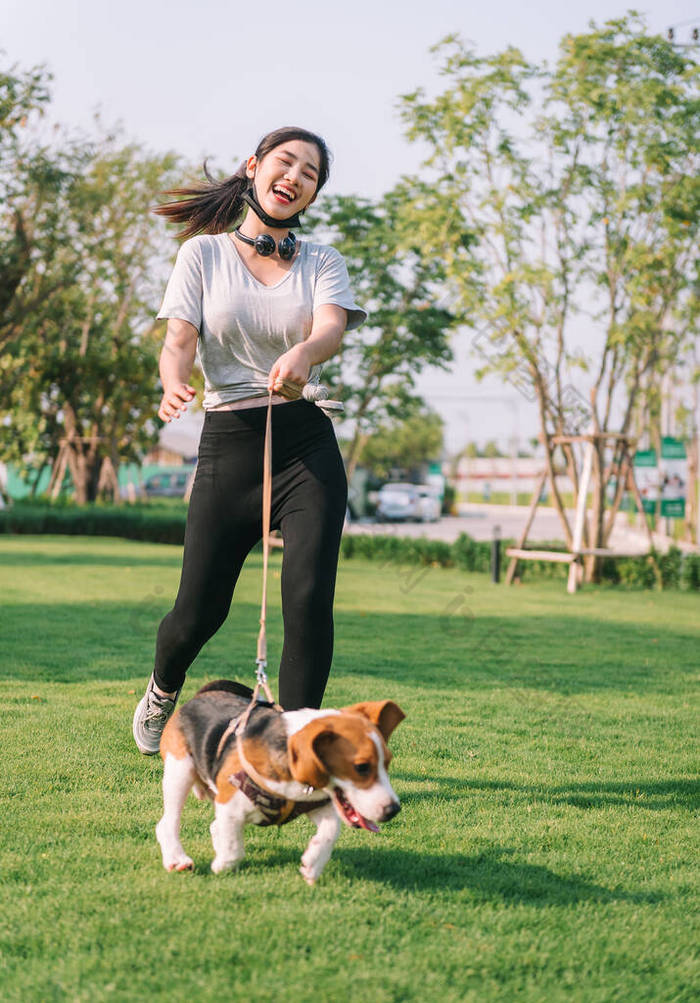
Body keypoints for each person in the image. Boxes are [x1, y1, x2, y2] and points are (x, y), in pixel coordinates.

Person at [133, 126, 366, 755]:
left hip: (304, 442)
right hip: (229, 442)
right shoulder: (202, 255)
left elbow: (330, 330)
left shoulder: (322, 262)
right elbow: (179, 340)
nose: (294, 177)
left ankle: (294, 744)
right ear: (254, 168)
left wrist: (304, 354)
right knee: (197, 613)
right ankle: (161, 689)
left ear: (314, 193)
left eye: (310, 173)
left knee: (310, 595)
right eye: (285, 163)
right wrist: (174, 382)